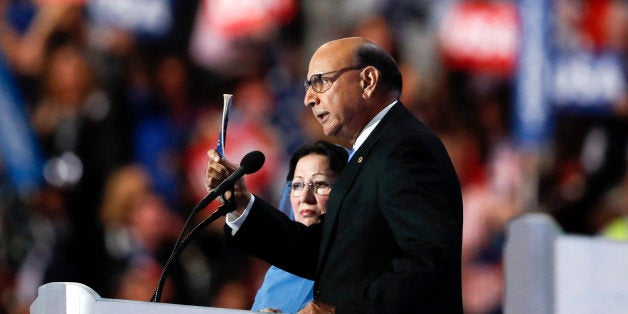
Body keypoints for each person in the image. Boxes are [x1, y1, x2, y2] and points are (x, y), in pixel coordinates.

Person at [205, 37, 463, 313]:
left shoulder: (405, 147)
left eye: (319, 82)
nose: (308, 99)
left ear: (367, 81)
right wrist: (243, 205)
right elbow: (330, 254)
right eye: (307, 87)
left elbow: (428, 257)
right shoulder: (370, 152)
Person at [251, 141, 348, 313]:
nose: (304, 197)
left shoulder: (360, 266)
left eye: (320, 184)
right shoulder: (279, 272)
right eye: (297, 185)